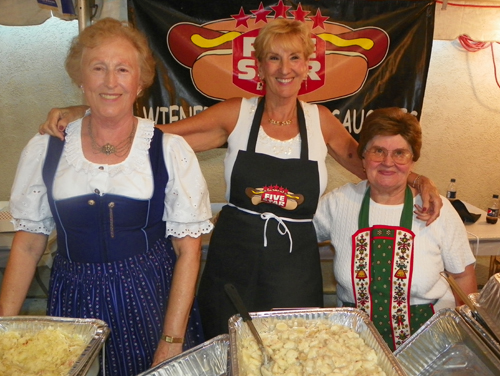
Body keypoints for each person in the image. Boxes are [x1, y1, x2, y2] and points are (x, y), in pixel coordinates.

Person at [39, 19, 443, 339]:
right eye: (274, 58)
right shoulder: (237, 113)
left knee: (290, 350)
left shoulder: (320, 121)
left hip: (294, 267)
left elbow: (374, 163)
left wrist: (419, 180)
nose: (284, 69)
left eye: (294, 58)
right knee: (226, 348)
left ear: (307, 65)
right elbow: (157, 136)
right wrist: (89, 111)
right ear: (259, 65)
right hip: (233, 261)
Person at [0, 18, 213, 375]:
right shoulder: (45, 148)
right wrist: (3, 329)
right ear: (80, 79)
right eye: (98, 68)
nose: (110, 82)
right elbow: (27, 245)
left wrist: (171, 340)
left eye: (122, 69)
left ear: (140, 81)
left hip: (151, 299)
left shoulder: (170, 151)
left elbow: (187, 252)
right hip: (73, 298)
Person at [313, 107, 477, 351]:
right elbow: (292, 237)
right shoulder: (338, 204)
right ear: (364, 155)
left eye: (400, 153)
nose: (388, 162)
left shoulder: (436, 210)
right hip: (354, 345)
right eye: (378, 151)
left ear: (412, 160)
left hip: (429, 344)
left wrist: (466, 343)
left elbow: (464, 278)